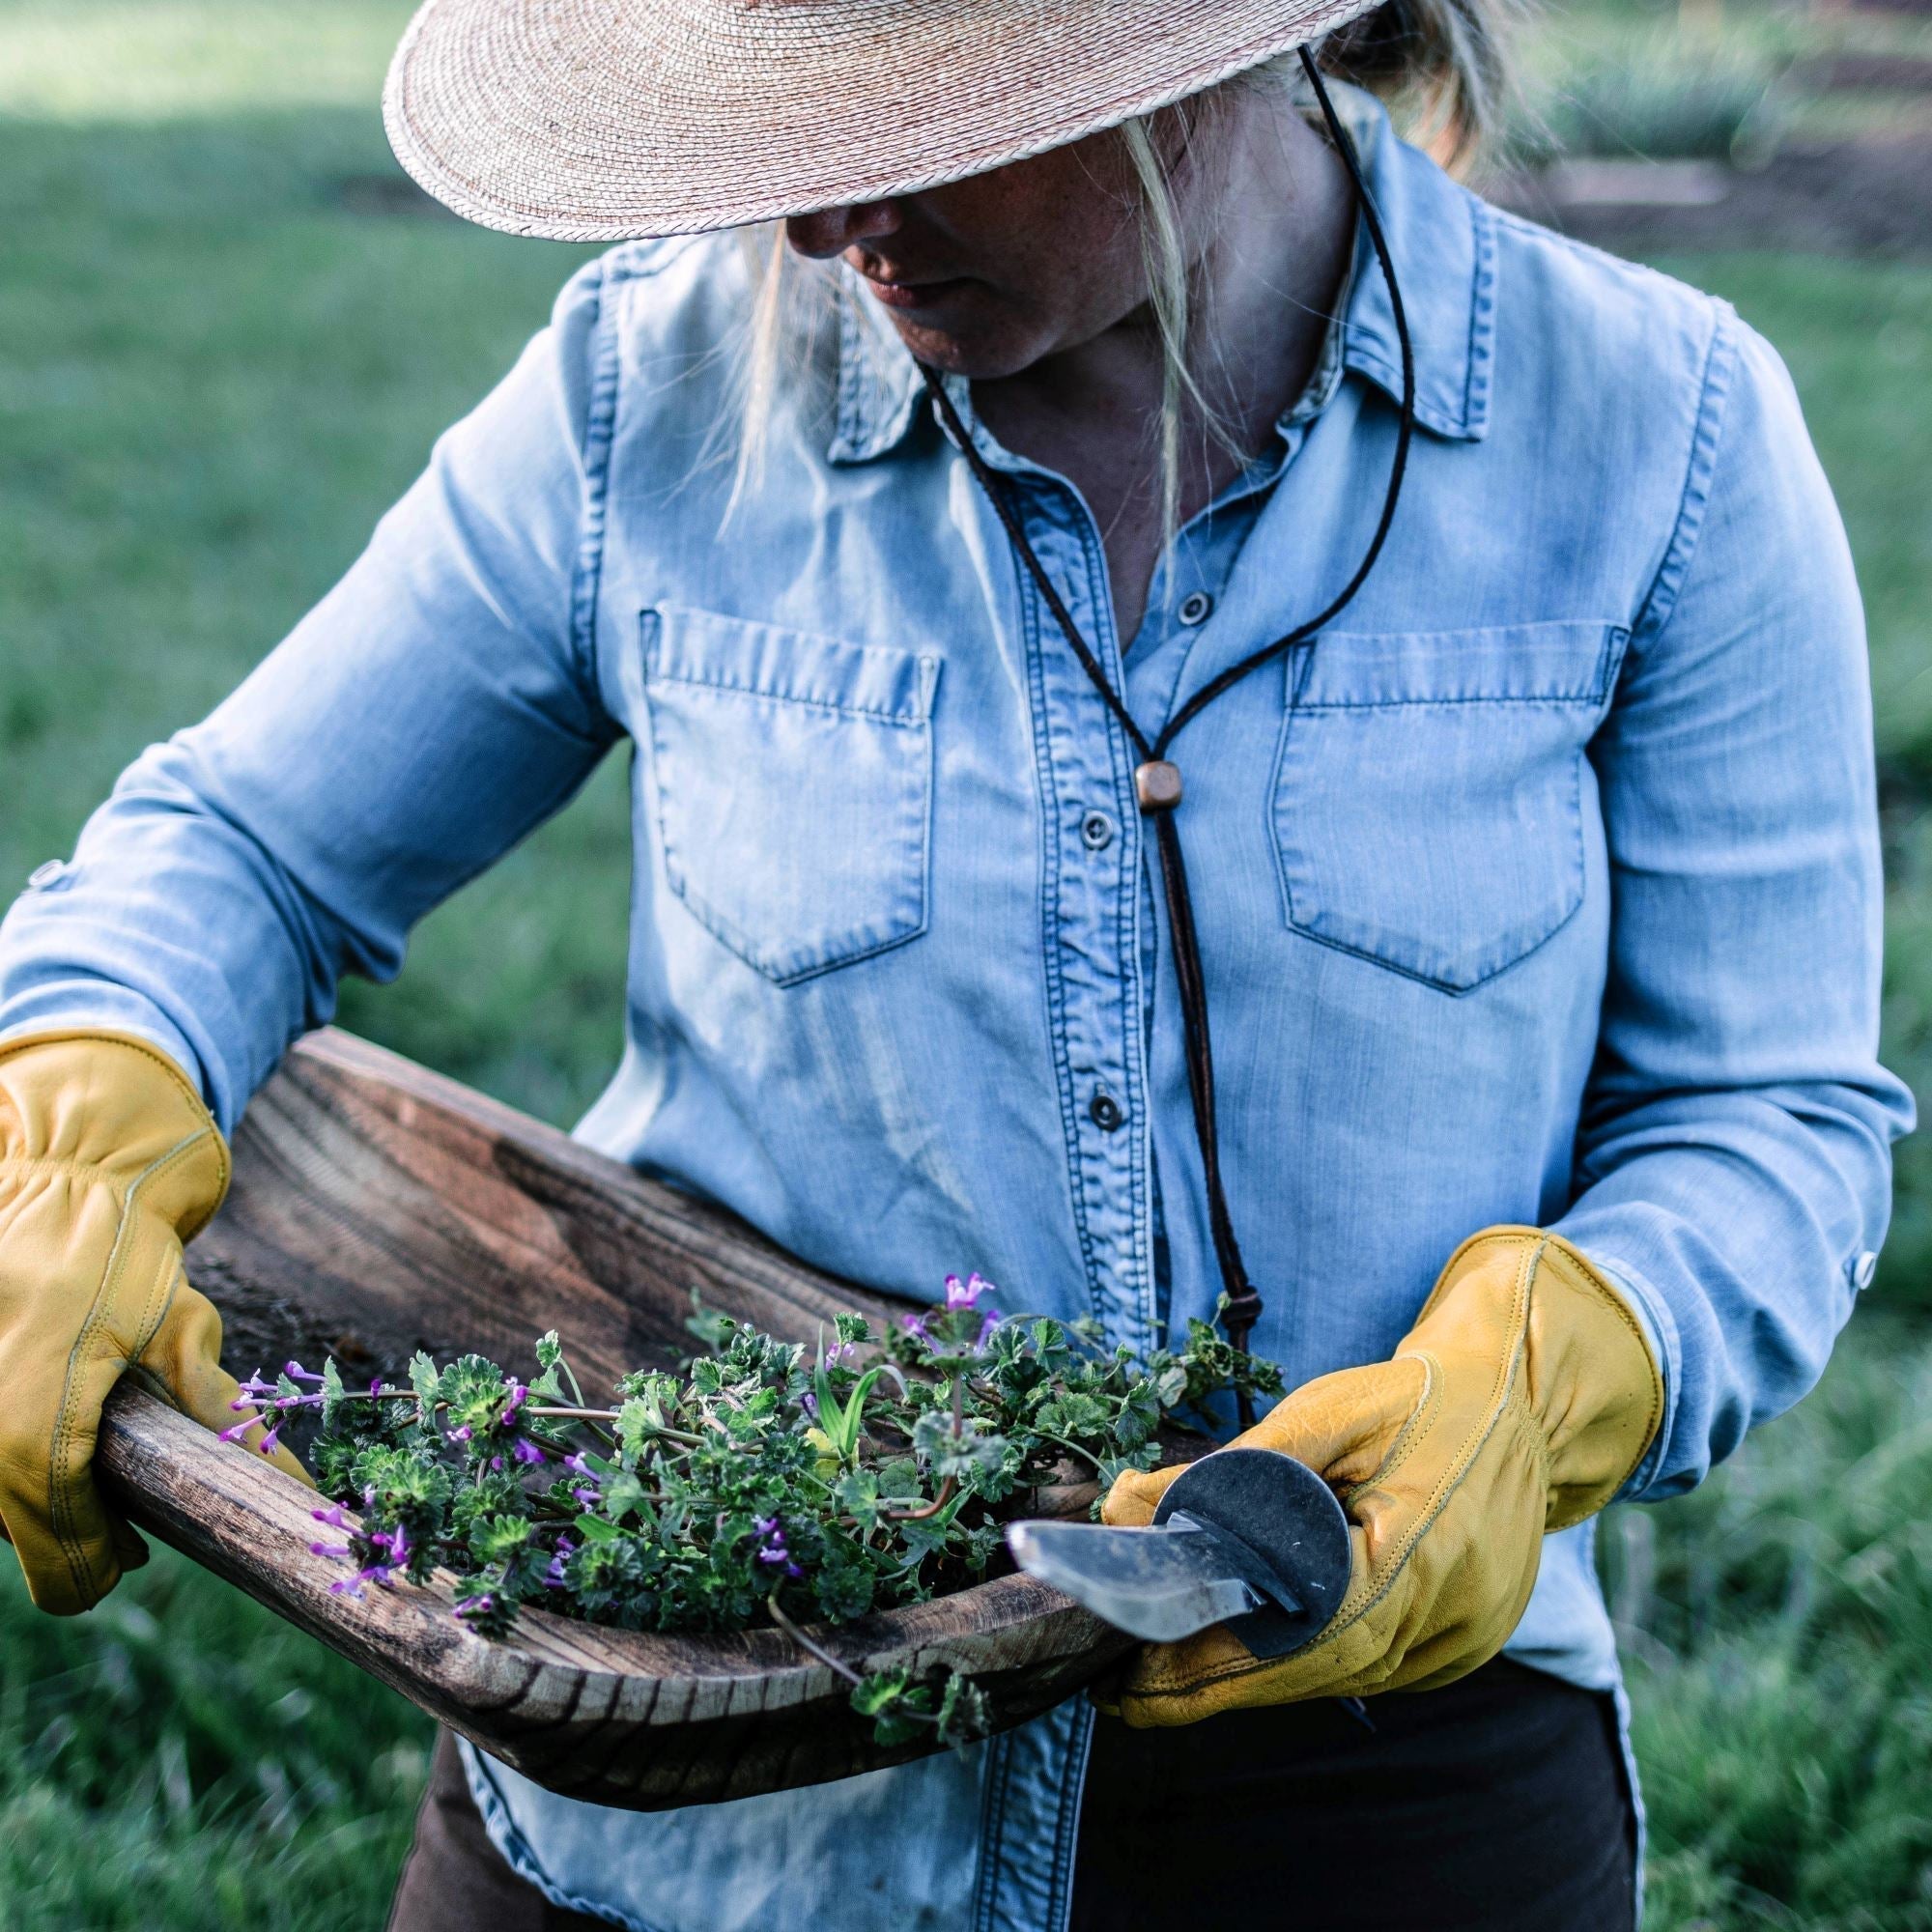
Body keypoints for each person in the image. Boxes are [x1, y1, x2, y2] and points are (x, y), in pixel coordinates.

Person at [0, 0, 1910, 1926]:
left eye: (918, 122)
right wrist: (79, 1116)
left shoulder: (1654, 437)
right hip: (702, 1812)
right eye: (784, 126)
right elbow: (234, 848)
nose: (822, 226)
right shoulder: (646, 389)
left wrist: (1568, 1356)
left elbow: (1769, 1113)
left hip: (1358, 1775)